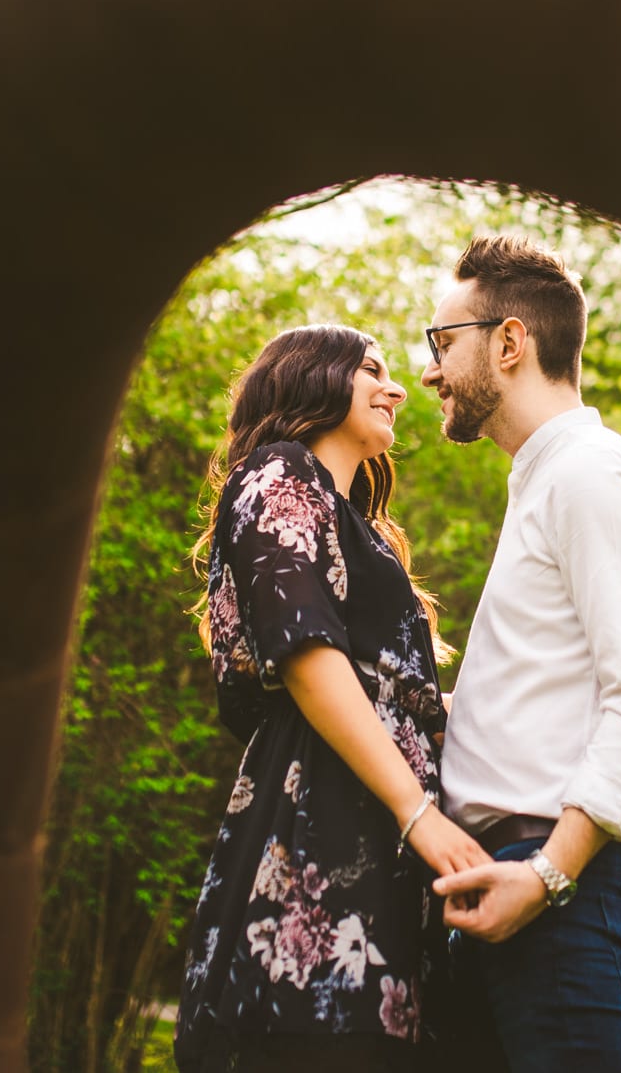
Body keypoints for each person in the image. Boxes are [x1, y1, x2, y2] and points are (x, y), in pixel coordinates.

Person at [175, 325, 491, 1073]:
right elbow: (309, 655)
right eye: (372, 370)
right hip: (323, 814)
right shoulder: (279, 474)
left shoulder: (364, 527)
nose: (398, 387)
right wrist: (418, 812)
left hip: (384, 822)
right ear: (316, 378)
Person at [421, 236, 621, 1072]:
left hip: (557, 894)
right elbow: (539, 702)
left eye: (442, 341)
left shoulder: (590, 475)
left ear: (508, 342)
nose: (428, 371)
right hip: (509, 886)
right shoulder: (544, 480)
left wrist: (547, 876)